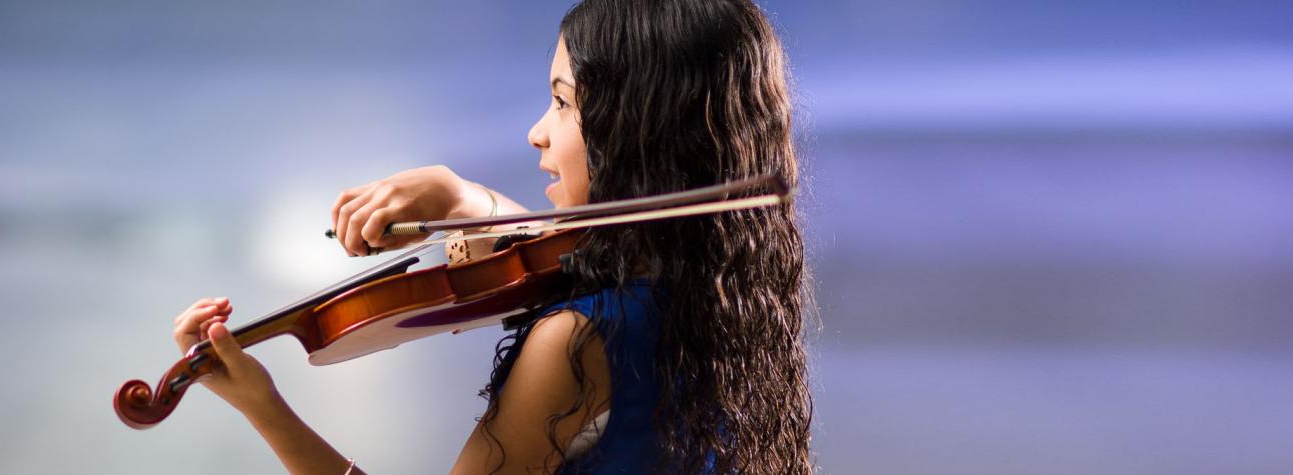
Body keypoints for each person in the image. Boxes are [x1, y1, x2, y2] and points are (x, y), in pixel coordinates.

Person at [167, 0, 811, 472]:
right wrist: (462, 198)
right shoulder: (723, 296)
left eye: (563, 103)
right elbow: (548, 248)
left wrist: (264, 407)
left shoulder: (579, 342)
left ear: (636, 130)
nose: (538, 131)